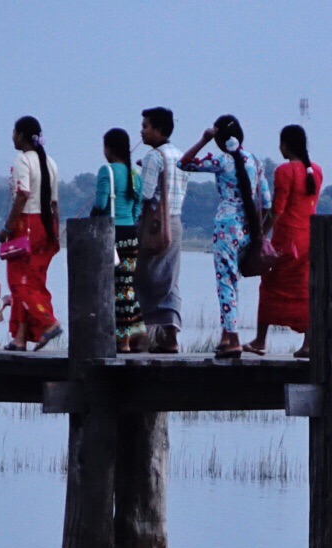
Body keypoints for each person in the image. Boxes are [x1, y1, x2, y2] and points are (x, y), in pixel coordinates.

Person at [180, 115, 269, 360]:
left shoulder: (221, 160)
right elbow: (267, 202)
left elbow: (184, 163)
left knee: (225, 284)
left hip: (226, 228)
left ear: (219, 139)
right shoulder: (255, 161)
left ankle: (234, 340)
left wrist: (203, 139)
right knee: (233, 282)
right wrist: (258, 233)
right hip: (247, 229)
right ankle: (227, 336)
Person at [250, 124, 323, 357]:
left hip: (287, 239)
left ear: (285, 144)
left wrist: (260, 234)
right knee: (304, 289)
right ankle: (308, 343)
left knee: (269, 285)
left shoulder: (284, 171)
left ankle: (260, 341)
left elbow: (277, 210)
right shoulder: (316, 171)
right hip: (308, 238)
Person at [0, 115, 62, 350]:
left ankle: (48, 321)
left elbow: (23, 195)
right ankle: (20, 337)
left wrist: (7, 227)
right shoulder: (51, 163)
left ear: (21, 135)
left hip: (26, 224)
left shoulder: (22, 160)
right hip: (47, 226)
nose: (12, 136)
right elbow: (55, 204)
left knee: (19, 282)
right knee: (33, 281)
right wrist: (56, 233)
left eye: (14, 132)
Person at [135, 106, 187, 353]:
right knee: (169, 279)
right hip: (175, 223)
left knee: (143, 278)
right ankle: (170, 336)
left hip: (153, 225)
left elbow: (144, 194)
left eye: (145, 126)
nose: (142, 131)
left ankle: (141, 335)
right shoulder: (180, 155)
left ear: (157, 129)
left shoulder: (153, 158)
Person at [92, 127, 145, 351]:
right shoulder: (134, 174)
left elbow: (100, 204)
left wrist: (92, 220)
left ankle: (121, 340)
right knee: (127, 287)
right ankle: (131, 336)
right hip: (130, 235)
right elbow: (137, 206)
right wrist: (129, 222)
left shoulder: (107, 171)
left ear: (109, 148)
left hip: (110, 236)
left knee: (112, 288)